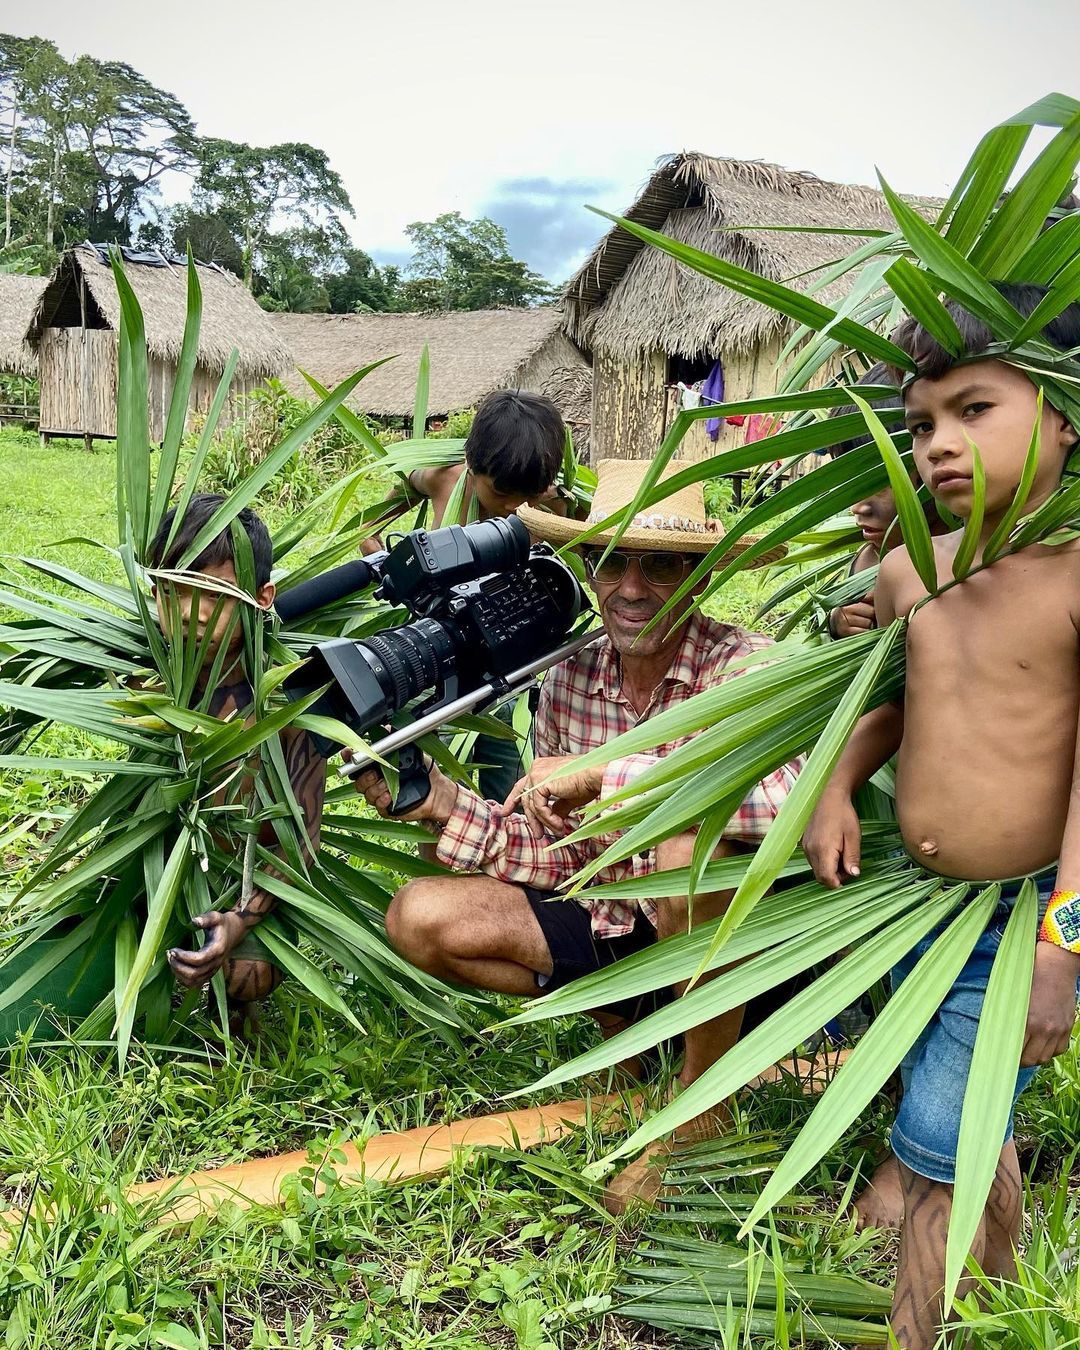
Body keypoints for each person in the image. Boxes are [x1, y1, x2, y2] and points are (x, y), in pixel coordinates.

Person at [354, 459, 800, 1212]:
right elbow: (560, 852)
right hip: (619, 924)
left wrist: (605, 775)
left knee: (687, 851)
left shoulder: (744, 666)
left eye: (660, 565)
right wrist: (442, 805)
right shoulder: (569, 679)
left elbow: (785, 807)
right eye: (610, 562)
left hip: (737, 954)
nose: (630, 588)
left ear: (700, 576)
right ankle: (629, 1032)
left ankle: (703, 1100)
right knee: (420, 914)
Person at [802, 283, 1080, 1350]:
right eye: (921, 426)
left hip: (1022, 919)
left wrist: (1061, 947)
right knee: (968, 1122)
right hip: (921, 907)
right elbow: (903, 703)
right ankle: (1003, 1301)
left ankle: (914, 1335)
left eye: (974, 410)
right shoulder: (909, 571)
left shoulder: (1072, 582)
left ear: (1064, 416)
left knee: (931, 1154)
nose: (939, 446)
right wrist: (836, 787)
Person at [149, 494, 325, 1031]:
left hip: (243, 884)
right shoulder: (147, 684)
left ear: (261, 598)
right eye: (176, 591)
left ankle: (239, 1016)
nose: (190, 613)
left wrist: (240, 920)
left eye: (214, 595)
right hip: (159, 870)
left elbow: (302, 843)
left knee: (246, 976)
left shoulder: (286, 707)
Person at [364, 388, 573, 804]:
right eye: (501, 494)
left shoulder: (554, 506)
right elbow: (371, 527)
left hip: (511, 674)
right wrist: (396, 573)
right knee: (429, 787)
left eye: (527, 499)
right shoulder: (443, 479)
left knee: (511, 789)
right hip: (440, 666)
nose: (514, 508)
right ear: (472, 467)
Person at [828, 364, 948, 641]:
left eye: (879, 483)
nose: (857, 507)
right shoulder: (866, 559)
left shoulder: (968, 566)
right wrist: (838, 623)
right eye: (849, 485)